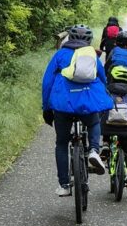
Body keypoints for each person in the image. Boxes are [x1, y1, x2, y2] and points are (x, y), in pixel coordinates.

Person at [42, 24, 109, 196]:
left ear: (69, 38)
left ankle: (64, 185)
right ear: (89, 40)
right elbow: (102, 79)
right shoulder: (91, 55)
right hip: (87, 103)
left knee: (62, 143)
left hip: (62, 104)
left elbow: (47, 82)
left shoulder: (60, 55)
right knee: (94, 122)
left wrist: (46, 107)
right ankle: (94, 150)